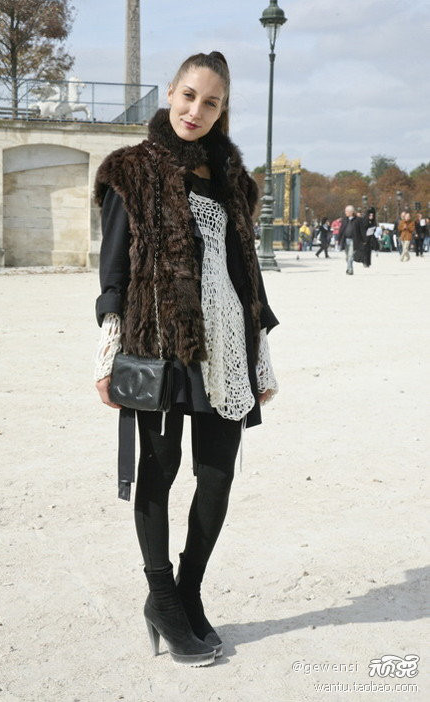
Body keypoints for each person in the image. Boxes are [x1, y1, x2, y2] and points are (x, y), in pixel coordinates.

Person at [93, 51, 280, 667]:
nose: (196, 110)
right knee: (160, 469)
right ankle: (162, 598)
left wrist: (261, 354)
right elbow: (114, 271)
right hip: (159, 343)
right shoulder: (130, 170)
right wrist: (107, 349)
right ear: (170, 93)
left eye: (211, 102)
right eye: (189, 96)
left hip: (226, 346)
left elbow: (246, 274)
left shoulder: (233, 180)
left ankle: (188, 591)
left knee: (218, 476)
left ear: (223, 110)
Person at [337, 205, 363, 274]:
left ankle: (350, 270)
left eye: (346, 211)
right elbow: (341, 230)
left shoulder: (358, 220)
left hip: (353, 240)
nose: (345, 212)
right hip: (345, 239)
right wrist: (338, 239)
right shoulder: (344, 219)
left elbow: (362, 230)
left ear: (351, 212)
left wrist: (363, 240)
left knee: (350, 256)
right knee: (347, 256)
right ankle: (349, 268)